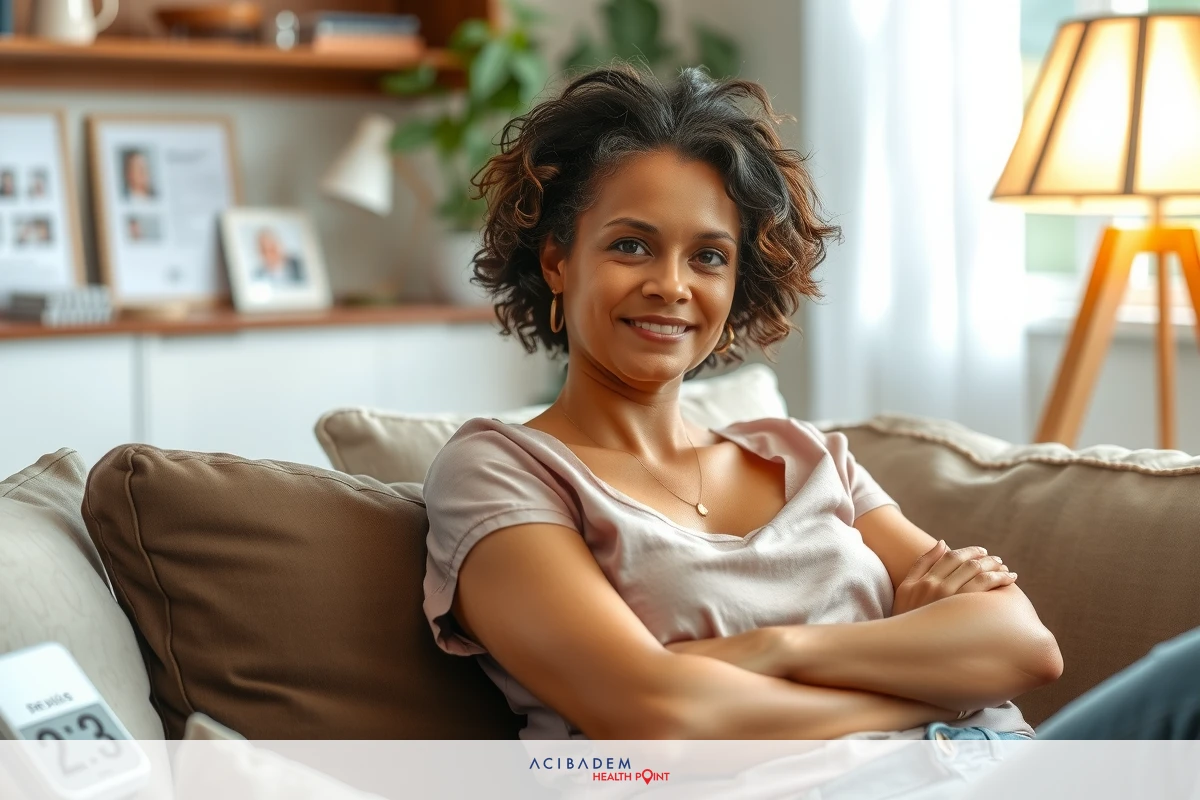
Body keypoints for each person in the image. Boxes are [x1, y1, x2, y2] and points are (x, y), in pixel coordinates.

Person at [420, 64, 1200, 771]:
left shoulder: (804, 455)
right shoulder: (502, 469)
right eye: (632, 246)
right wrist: (926, 687)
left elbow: (1025, 647)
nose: (672, 285)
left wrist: (775, 648)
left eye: (709, 256)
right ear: (558, 260)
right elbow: (655, 713)